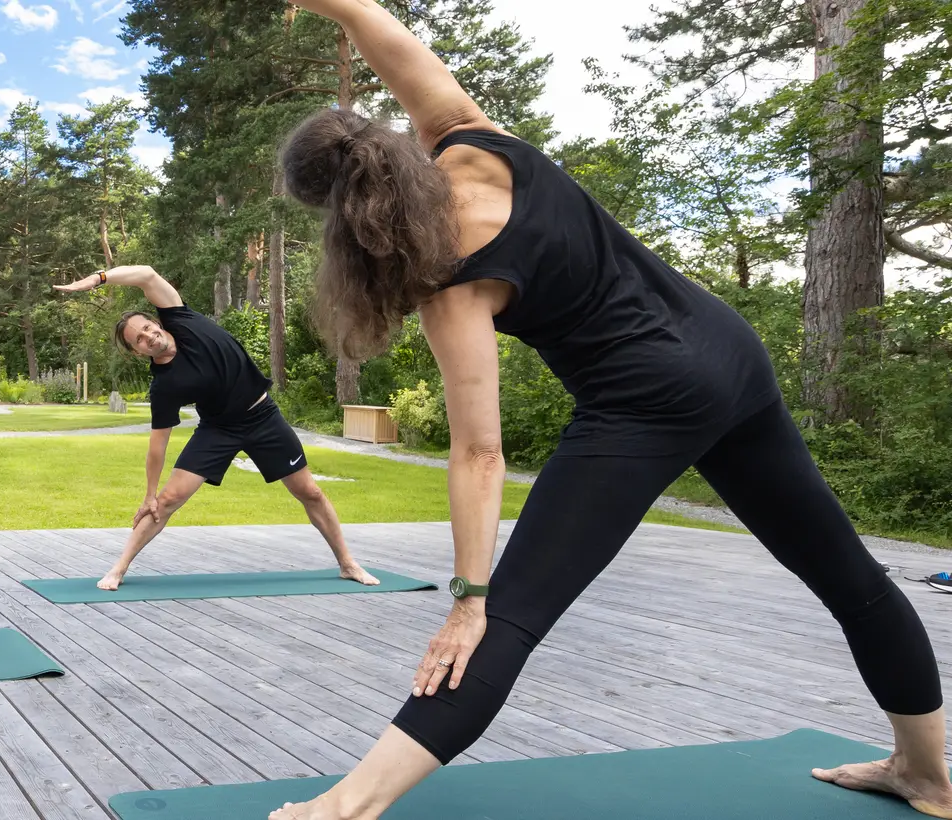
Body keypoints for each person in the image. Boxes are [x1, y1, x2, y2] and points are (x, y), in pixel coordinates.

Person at [264, 1, 951, 818]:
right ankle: (927, 773)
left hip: (644, 400)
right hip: (729, 354)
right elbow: (397, 48)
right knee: (850, 578)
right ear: (385, 141)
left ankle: (345, 807)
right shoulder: (478, 140)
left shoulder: (446, 275)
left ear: (342, 217)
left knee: (506, 619)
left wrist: (468, 594)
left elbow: (479, 454)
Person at [53, 265, 380, 592]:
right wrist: (149, 494)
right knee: (167, 500)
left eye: (148, 327)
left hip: (263, 415)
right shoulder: (164, 386)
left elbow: (147, 275)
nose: (149, 336)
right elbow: (158, 445)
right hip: (219, 429)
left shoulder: (180, 319)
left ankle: (348, 564)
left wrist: (97, 279)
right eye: (139, 339)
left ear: (157, 322)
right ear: (137, 352)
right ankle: (118, 569)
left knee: (309, 492)